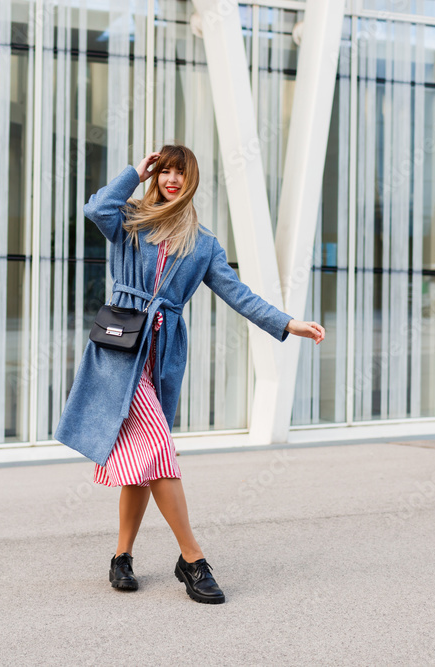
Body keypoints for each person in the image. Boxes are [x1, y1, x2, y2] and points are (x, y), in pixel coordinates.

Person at [54, 145, 326, 604]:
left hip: (161, 354)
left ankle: (122, 556)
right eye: (165, 171)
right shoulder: (130, 220)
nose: (172, 179)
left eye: (180, 172)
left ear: (191, 180)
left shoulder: (202, 243)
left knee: (142, 465)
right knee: (159, 450)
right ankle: (192, 559)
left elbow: (238, 294)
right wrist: (134, 172)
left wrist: (287, 322)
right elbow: (95, 207)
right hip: (122, 348)